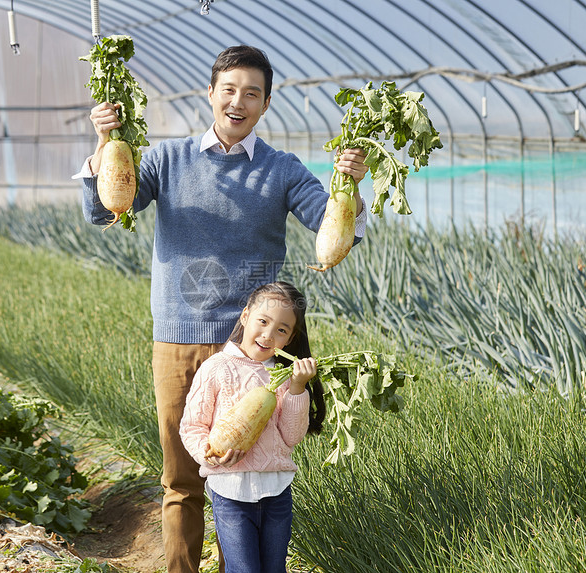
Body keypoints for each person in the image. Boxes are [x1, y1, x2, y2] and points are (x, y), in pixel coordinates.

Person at [77, 45, 368, 573]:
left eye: (251, 93)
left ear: (266, 103)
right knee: (182, 477)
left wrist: (349, 184)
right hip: (178, 338)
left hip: (252, 350)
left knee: (250, 474)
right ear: (211, 94)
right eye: (229, 89)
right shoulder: (167, 159)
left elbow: (332, 229)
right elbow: (104, 208)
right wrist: (104, 142)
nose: (238, 101)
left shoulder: (282, 170)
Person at [179, 281, 324, 573]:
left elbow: (292, 435)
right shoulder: (217, 367)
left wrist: (297, 388)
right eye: (263, 321)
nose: (269, 335)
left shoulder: (285, 376)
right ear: (245, 316)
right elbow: (192, 426)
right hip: (230, 491)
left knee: (274, 569)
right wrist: (206, 452)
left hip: (277, 491)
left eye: (282, 330)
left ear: (290, 338)